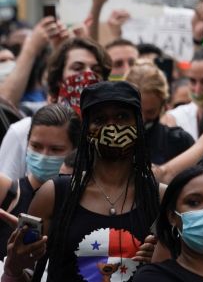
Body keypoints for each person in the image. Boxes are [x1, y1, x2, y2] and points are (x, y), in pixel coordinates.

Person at [15, 81, 162, 281]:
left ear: (138, 123)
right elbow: (27, 271)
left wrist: (161, 261)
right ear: (86, 130)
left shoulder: (160, 197)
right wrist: (15, 265)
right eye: (100, 119)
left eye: (122, 117)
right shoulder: (54, 195)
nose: (112, 127)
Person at [0, 37, 110, 180]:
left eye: (96, 70)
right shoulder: (23, 131)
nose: (88, 75)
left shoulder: (111, 134)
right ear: (59, 78)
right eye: (77, 68)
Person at [0, 104, 79, 258]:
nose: (43, 156)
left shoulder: (83, 201)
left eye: (56, 149)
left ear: (75, 150)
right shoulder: (5, 192)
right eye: (36, 146)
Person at [126, 59, 195, 164]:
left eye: (150, 112)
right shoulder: (110, 142)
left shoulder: (179, 142)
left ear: (163, 104)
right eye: (136, 112)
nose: (143, 120)